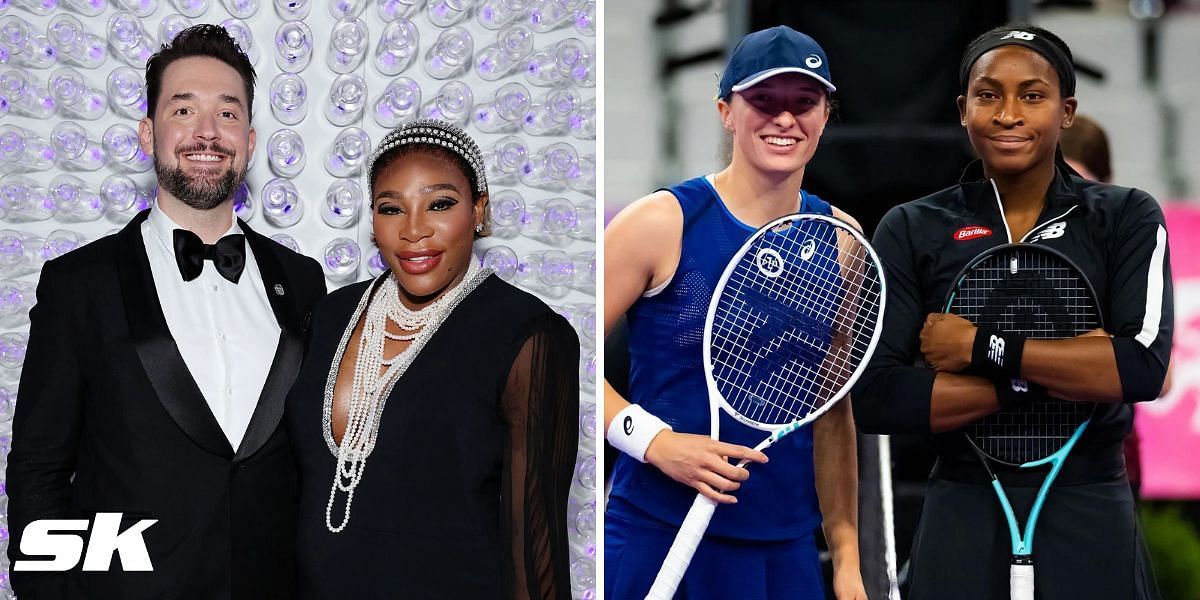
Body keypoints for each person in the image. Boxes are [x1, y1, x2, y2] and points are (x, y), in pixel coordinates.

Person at [6, 24, 327, 599]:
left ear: (250, 141)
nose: (207, 132)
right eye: (184, 110)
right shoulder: (78, 284)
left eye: (227, 114)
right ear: (147, 133)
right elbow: (38, 470)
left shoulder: (303, 283)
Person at [852, 25, 1171, 599]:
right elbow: (878, 397)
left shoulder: (1125, 217)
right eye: (988, 94)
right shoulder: (912, 226)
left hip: (1089, 506)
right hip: (962, 505)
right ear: (962, 109)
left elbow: (1139, 368)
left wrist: (980, 351)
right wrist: (1057, 373)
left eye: (1032, 95)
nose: (1008, 114)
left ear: (1066, 111)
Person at [603, 26, 867, 599]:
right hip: (657, 533)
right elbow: (552, 355)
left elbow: (832, 409)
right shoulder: (660, 222)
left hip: (787, 551)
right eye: (763, 102)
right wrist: (654, 442)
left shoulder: (843, 239)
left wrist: (846, 558)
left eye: (804, 103)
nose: (784, 120)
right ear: (726, 110)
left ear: (825, 114)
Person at [285, 119, 580, 599]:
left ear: (479, 210)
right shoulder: (331, 313)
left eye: (440, 204)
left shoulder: (529, 334)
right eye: (391, 208)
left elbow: (537, 542)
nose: (414, 230)